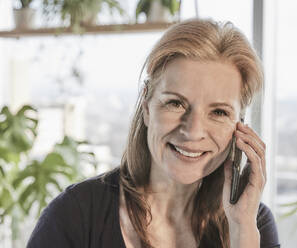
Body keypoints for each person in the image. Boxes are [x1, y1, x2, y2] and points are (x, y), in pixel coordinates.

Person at [27, 19, 280, 248]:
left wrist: (242, 232)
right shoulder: (75, 215)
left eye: (219, 112)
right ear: (147, 106)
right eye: (175, 103)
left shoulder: (252, 223)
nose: (192, 131)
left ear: (240, 126)